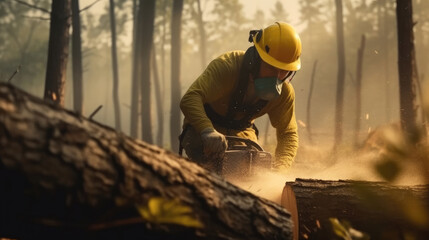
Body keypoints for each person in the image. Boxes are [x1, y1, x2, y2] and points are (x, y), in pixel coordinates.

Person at [179, 22, 301, 172]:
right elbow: (190, 98)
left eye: (283, 71)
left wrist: (280, 170)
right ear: (256, 58)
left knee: (252, 169)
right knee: (212, 170)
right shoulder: (227, 67)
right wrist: (207, 130)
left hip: (242, 132)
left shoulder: (284, 93)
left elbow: (287, 133)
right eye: (271, 67)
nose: (276, 77)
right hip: (203, 129)